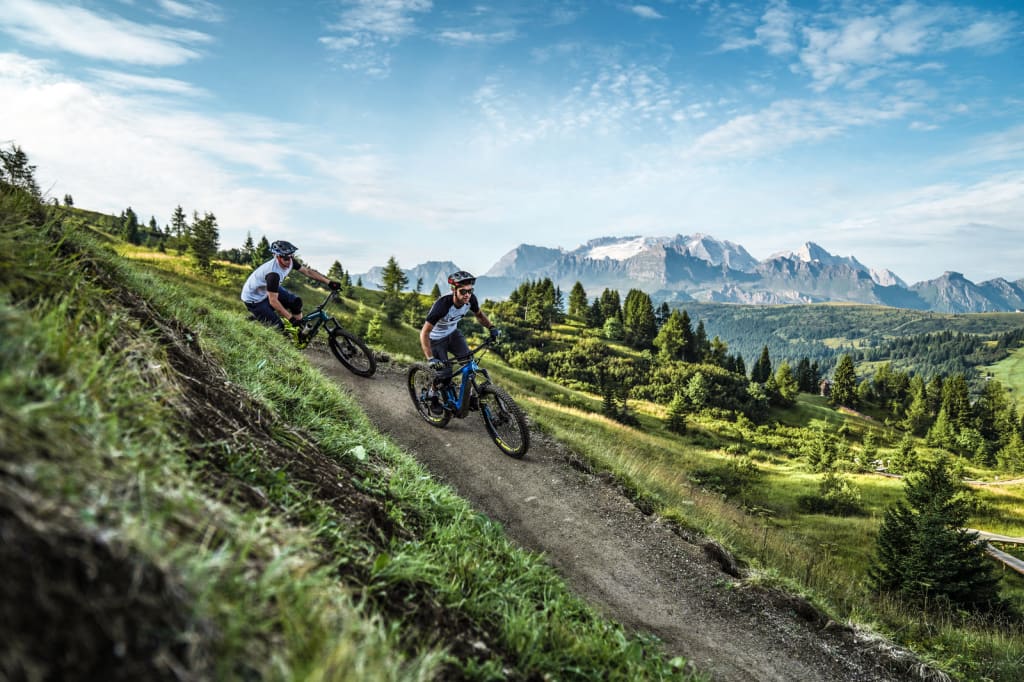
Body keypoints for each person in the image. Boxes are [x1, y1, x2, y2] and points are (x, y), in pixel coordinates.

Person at [420, 270, 499, 414]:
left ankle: (467, 399)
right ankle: (432, 394)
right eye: (463, 291)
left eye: (470, 291)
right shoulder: (442, 305)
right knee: (445, 375)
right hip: (436, 339)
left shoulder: (471, 300)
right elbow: (424, 333)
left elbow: (480, 315)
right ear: (454, 290)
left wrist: (491, 327)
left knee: (470, 365)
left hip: (453, 334)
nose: (467, 295)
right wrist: (430, 358)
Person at [241, 240, 339, 342]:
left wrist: (329, 282)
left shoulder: (290, 261)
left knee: (296, 302)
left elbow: (308, 272)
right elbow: (273, 301)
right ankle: (261, 316)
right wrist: (290, 318)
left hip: (267, 289)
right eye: (286, 258)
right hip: (254, 300)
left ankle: (300, 331)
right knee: (280, 330)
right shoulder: (273, 274)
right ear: (277, 257)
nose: (289, 260)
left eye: (291, 256)